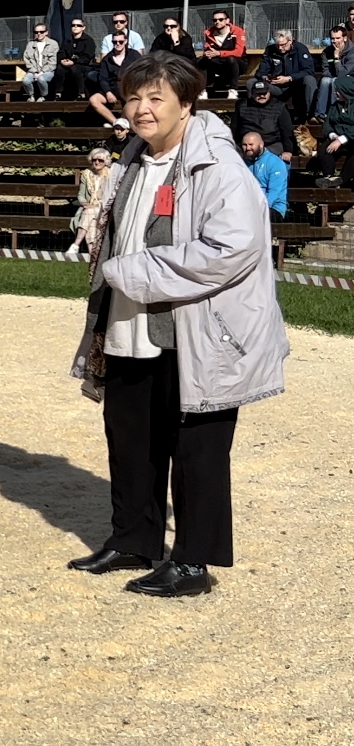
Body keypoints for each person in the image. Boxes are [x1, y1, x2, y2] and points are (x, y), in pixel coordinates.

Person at [68, 52, 288, 598]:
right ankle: (134, 539)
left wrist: (132, 271)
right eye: (134, 97)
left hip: (202, 331)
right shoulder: (133, 158)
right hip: (130, 325)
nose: (141, 109)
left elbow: (231, 249)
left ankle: (194, 561)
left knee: (198, 449)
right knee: (131, 436)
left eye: (156, 98)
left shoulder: (219, 167)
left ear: (187, 104)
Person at [257, 28, 315, 123]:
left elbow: (309, 71)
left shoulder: (300, 49)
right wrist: (266, 78)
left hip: (295, 86)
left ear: (290, 41)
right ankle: (256, 117)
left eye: (283, 45)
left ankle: (311, 116)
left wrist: (289, 78)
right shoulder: (270, 50)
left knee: (310, 80)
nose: (280, 48)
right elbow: (261, 71)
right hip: (275, 85)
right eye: (277, 45)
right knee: (252, 83)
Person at [233, 78, 295, 163]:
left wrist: (288, 150)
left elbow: (287, 131)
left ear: (269, 92)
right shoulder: (242, 105)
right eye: (258, 94)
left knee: (265, 159)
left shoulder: (279, 107)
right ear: (252, 93)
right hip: (245, 146)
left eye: (264, 93)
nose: (262, 96)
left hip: (271, 144)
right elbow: (234, 128)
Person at [312, 72, 354, 190]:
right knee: (324, 150)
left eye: (338, 91)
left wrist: (341, 140)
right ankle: (328, 177)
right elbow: (327, 124)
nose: (335, 93)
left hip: (351, 139)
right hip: (337, 137)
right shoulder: (335, 106)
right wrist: (332, 135)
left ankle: (341, 179)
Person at [66, 147, 112, 255]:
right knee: (89, 215)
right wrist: (85, 203)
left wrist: (98, 205)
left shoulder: (110, 175)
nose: (97, 162)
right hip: (89, 208)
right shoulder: (86, 174)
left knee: (89, 213)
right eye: (94, 160)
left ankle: (76, 244)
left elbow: (110, 196)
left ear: (106, 162)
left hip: (104, 207)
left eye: (100, 160)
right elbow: (80, 195)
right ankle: (93, 254)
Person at [89, 33, 138, 125]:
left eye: (120, 41)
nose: (118, 44)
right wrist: (108, 92)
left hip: (129, 89)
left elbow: (142, 72)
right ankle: (116, 122)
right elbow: (103, 78)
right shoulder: (107, 59)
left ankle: (126, 124)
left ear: (126, 41)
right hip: (112, 88)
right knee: (94, 100)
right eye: (115, 42)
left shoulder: (134, 55)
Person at [240, 132, 288, 221]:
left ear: (261, 145)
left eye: (251, 144)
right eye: (244, 145)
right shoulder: (244, 163)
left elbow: (274, 193)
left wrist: (257, 208)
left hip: (273, 208)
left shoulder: (275, 163)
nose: (247, 148)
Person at [200, 10, 246, 98]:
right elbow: (207, 47)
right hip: (220, 63)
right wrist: (207, 53)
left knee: (231, 59)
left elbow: (239, 52)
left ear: (227, 21)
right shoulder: (209, 33)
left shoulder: (237, 31)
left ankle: (233, 90)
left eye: (221, 19)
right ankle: (202, 90)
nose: (217, 22)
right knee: (202, 61)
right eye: (215, 20)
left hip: (238, 64)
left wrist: (219, 53)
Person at [53, 17, 98, 100]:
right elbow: (61, 52)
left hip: (84, 65)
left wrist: (74, 61)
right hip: (68, 64)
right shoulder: (67, 40)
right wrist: (62, 60)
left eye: (78, 25)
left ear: (83, 28)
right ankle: (58, 93)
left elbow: (87, 56)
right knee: (60, 68)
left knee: (75, 68)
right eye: (73, 25)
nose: (75, 27)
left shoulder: (88, 41)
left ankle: (82, 92)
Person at [313, 24, 352, 120]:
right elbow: (325, 71)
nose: (335, 41)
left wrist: (336, 58)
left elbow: (342, 74)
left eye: (338, 38)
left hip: (350, 79)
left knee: (334, 80)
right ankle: (320, 115)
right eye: (332, 38)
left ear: (345, 38)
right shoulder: (327, 52)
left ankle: (333, 114)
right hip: (333, 77)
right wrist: (334, 74)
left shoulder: (352, 52)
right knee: (326, 80)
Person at [20, 22, 58, 101]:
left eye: (41, 32)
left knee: (41, 79)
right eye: (36, 32)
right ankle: (31, 96)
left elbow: (53, 62)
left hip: (48, 70)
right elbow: (27, 60)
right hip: (33, 70)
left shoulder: (53, 44)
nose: (39, 34)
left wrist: (42, 72)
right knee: (26, 80)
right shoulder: (30, 44)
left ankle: (44, 96)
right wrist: (34, 71)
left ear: (46, 32)